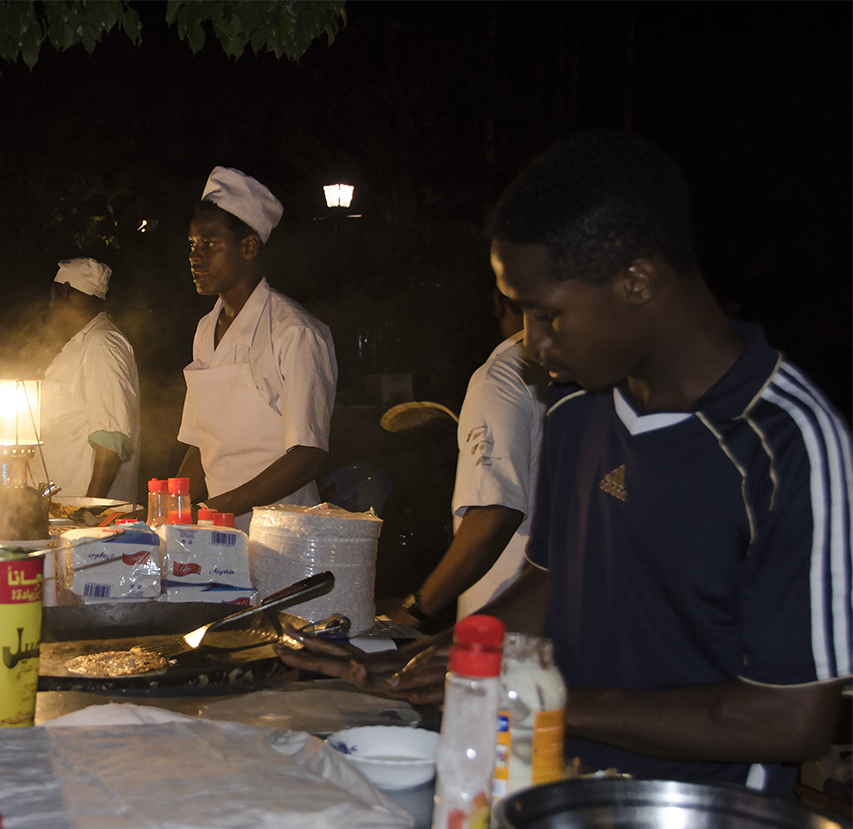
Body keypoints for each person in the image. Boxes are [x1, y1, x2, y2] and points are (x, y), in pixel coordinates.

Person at [280, 131, 851, 796]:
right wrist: (433, 660)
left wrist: (531, 695)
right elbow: (551, 579)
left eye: (547, 314)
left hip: (693, 804)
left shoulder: (787, 442)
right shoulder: (576, 408)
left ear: (637, 282)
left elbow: (792, 717)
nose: (531, 341)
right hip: (547, 782)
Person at [176, 166, 338, 531]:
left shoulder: (295, 331)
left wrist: (222, 507)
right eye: (192, 244)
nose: (195, 256)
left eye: (211, 244)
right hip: (219, 527)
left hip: (285, 532)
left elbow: (309, 454)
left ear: (248, 246)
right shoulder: (205, 330)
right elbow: (201, 444)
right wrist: (173, 505)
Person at [391, 293, 549, 631]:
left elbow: (494, 515)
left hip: (503, 620)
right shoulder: (601, 369)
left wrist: (415, 610)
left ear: (500, 300)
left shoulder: (500, 378)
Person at [35, 257, 141, 502]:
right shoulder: (84, 343)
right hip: (66, 507)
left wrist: (90, 508)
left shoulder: (103, 344)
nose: (50, 305)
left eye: (52, 296)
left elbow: (111, 438)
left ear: (66, 293)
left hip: (84, 512)